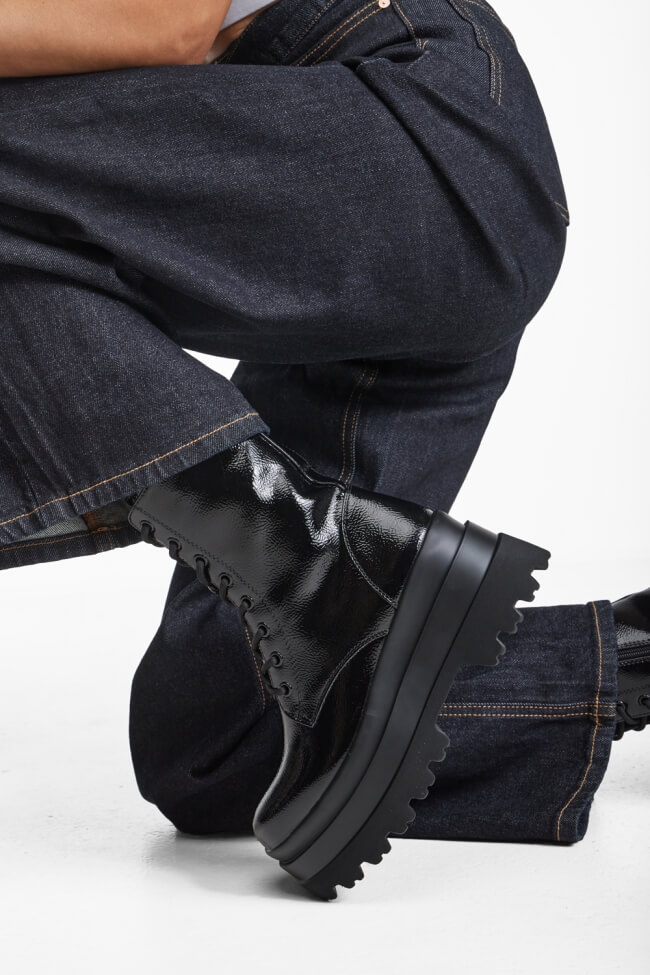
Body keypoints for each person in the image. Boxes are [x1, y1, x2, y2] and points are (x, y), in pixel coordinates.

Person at [0, 0, 647, 899]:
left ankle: (310, 558)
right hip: (320, 207)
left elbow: (167, 20)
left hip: (409, 126)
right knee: (215, 749)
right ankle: (624, 650)